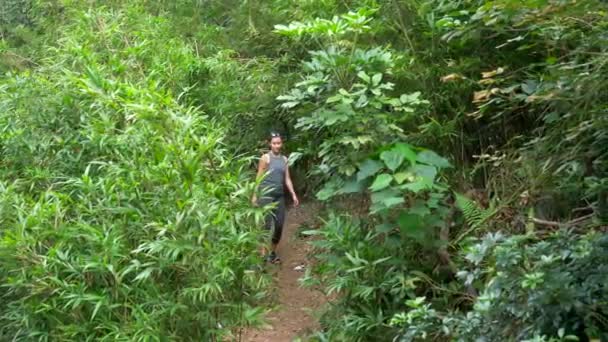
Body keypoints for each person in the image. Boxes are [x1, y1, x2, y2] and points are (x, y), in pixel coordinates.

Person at [251, 132, 299, 263]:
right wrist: (255, 195)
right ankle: (262, 254)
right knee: (265, 225)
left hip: (279, 196)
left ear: (281, 143)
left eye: (279, 143)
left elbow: (287, 179)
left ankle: (272, 252)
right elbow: (258, 178)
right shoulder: (265, 158)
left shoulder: (284, 159)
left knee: (279, 225)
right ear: (270, 144)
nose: (277, 145)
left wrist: (293, 194)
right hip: (266, 195)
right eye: (274, 143)